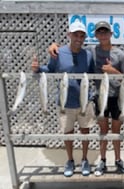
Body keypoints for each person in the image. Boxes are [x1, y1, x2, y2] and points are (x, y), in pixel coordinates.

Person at [48, 21, 124, 176]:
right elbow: (72, 48)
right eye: (100, 32)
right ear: (95, 35)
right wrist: (54, 45)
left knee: (116, 131)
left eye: (106, 32)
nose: (103, 35)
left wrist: (113, 71)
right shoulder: (91, 51)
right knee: (103, 131)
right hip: (100, 97)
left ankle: (118, 160)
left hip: (118, 98)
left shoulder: (121, 54)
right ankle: (103, 161)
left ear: (111, 34)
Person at [31, 19, 95, 177]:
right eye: (76, 35)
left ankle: (85, 159)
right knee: (68, 132)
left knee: (85, 131)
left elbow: (94, 74)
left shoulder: (88, 54)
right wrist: (38, 68)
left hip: (84, 101)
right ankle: (70, 160)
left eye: (82, 36)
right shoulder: (58, 53)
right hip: (65, 101)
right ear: (69, 35)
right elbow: (50, 69)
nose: (79, 38)